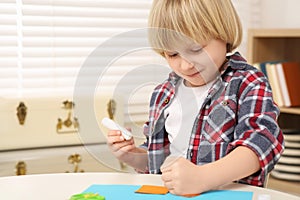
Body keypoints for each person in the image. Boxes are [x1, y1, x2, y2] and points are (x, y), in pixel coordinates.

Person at [106, 0, 284, 196]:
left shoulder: (248, 83)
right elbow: (159, 161)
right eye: (173, 54)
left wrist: (202, 177)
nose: (185, 65)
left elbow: (261, 143)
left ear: (223, 34)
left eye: (196, 49)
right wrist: (131, 156)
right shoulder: (163, 94)